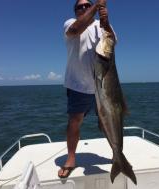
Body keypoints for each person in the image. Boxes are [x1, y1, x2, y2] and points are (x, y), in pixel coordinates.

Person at [58, 0, 116, 178]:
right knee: (74, 121)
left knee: (107, 122)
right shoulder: (70, 23)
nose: (84, 8)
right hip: (78, 85)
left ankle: (116, 154)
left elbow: (112, 42)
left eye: (86, 5)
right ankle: (71, 158)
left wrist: (105, 22)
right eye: (80, 6)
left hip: (103, 85)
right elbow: (75, 30)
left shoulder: (101, 25)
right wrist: (96, 6)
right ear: (75, 11)